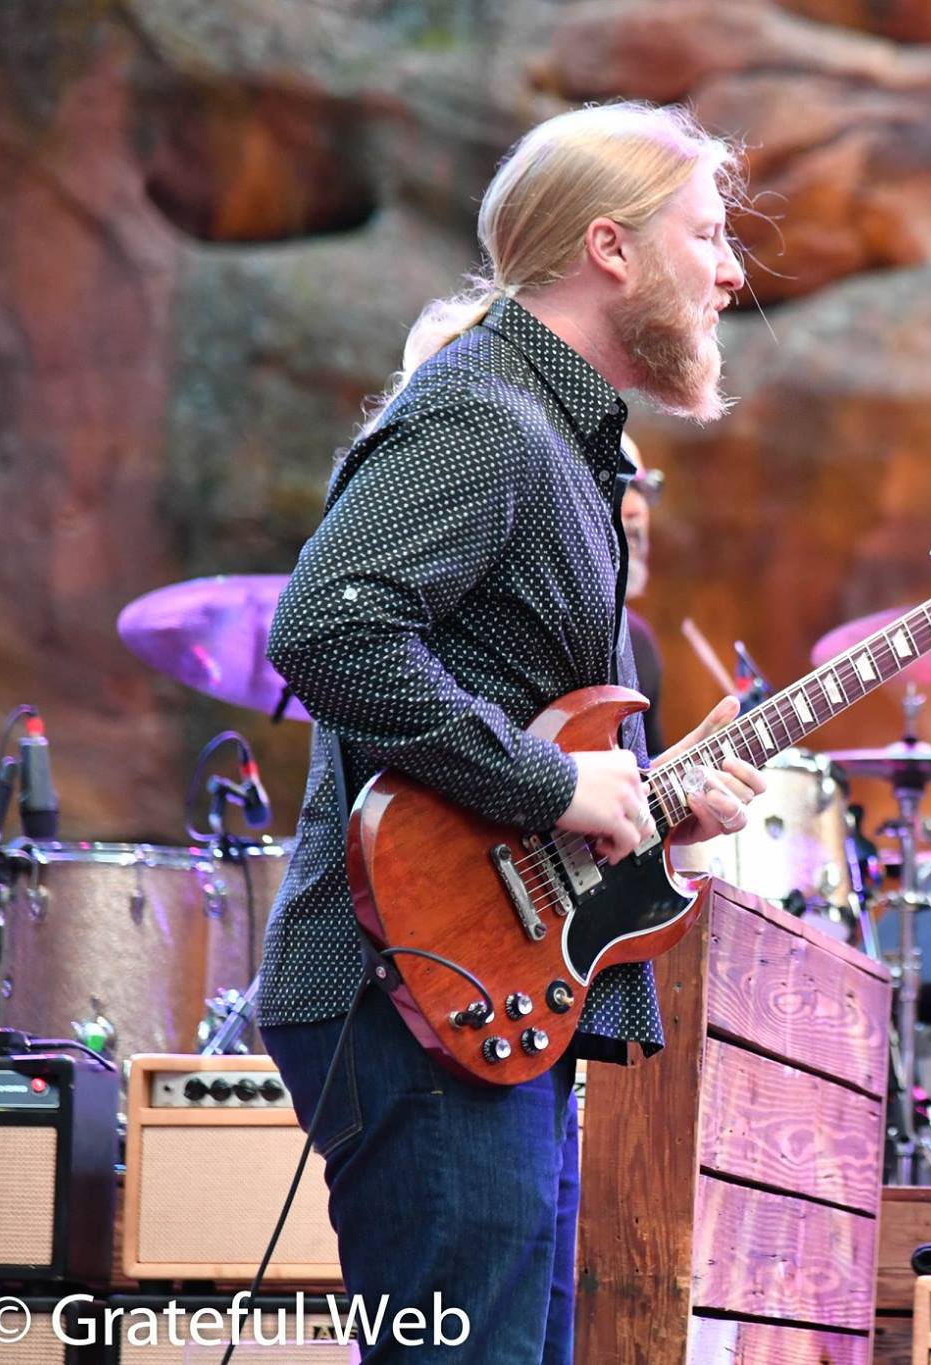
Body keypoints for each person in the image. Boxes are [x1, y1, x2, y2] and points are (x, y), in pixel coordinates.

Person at [258, 101, 765, 1363]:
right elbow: (326, 631)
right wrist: (555, 785)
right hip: (407, 989)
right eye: (704, 234)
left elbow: (516, 715)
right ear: (610, 248)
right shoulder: (485, 412)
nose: (730, 270)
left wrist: (641, 802)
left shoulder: (558, 437)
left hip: (473, 990)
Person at [620, 429, 670, 756]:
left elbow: (650, 789)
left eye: (643, 487)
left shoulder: (638, 643)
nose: (637, 507)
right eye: (621, 486)